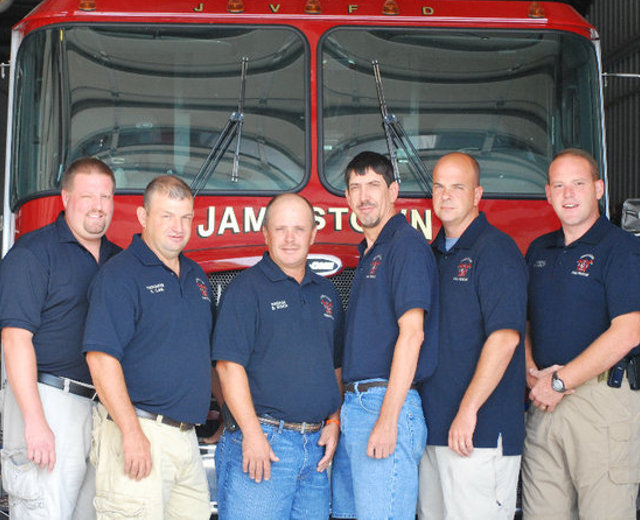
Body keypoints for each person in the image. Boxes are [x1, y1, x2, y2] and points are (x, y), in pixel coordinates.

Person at [522, 148, 640, 519]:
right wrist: (531, 372)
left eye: (578, 184)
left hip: (601, 402)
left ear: (598, 188)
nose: (568, 194)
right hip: (544, 402)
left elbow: (627, 333)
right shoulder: (538, 250)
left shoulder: (623, 250)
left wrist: (560, 382)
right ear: (548, 193)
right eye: (559, 186)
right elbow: (525, 323)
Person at [82, 175, 212, 519]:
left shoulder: (196, 276)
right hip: (140, 432)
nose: (177, 227)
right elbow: (101, 358)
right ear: (143, 217)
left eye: (185, 217)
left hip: (186, 440)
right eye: (167, 216)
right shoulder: (121, 275)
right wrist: (131, 432)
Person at [0, 157, 121, 519]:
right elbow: (15, 340)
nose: (98, 206)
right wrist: (35, 421)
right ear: (66, 198)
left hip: (102, 409)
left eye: (106, 196)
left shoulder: (118, 261)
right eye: (87, 196)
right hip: (50, 401)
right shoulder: (33, 254)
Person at [212, 194, 344, 520]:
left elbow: (335, 367)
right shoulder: (245, 290)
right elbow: (229, 368)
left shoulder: (327, 295)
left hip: (314, 451)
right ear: (266, 234)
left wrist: (334, 420)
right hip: (264, 444)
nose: (289, 238)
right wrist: (253, 435)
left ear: (313, 234)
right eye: (280, 229)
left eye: (299, 229)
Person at [417, 153, 527, 520]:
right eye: (439, 187)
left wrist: (468, 410)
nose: (445, 196)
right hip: (433, 431)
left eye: (457, 187)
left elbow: (505, 338)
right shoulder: (432, 255)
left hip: (478, 433)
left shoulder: (495, 251)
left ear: (477, 194)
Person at [332, 151, 438, 520]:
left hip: (384, 405)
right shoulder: (371, 251)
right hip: (357, 407)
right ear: (346, 199)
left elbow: (412, 335)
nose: (364, 196)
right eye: (355, 188)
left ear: (393, 191)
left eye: (373, 185)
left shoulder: (405, 246)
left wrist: (388, 419)